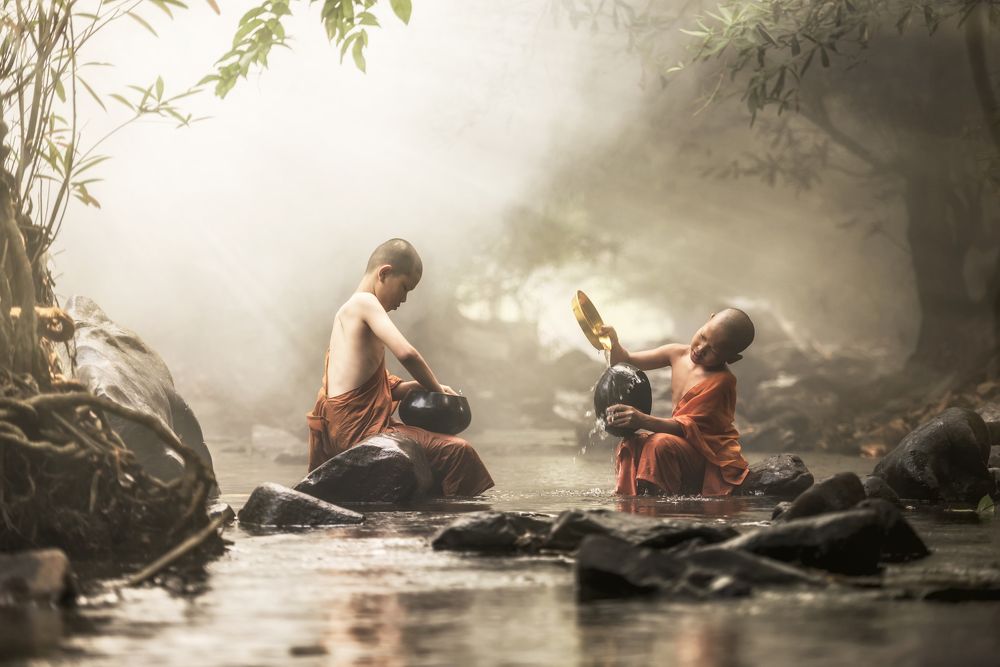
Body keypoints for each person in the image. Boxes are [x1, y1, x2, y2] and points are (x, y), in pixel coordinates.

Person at [306, 238, 494, 497]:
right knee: (459, 451)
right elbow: (407, 354)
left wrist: (415, 387)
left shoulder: (346, 312)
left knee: (435, 453)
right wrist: (436, 390)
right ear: (384, 273)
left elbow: (371, 388)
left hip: (345, 432)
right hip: (362, 434)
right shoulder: (364, 303)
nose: (404, 299)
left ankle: (431, 510)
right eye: (404, 287)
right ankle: (457, 523)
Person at [599, 309, 754, 496]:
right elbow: (625, 362)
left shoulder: (722, 381)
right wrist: (613, 343)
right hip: (680, 444)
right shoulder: (676, 353)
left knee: (660, 444)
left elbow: (688, 428)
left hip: (706, 455)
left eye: (713, 349)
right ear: (709, 319)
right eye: (703, 336)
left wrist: (642, 420)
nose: (700, 349)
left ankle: (661, 506)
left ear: (731, 358)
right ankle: (629, 500)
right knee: (632, 443)